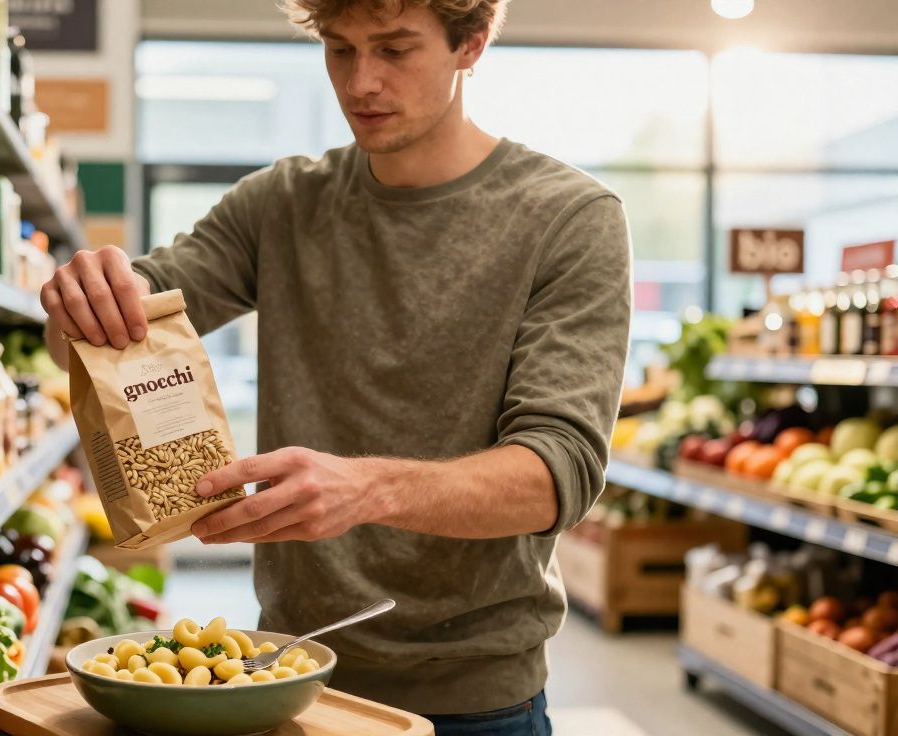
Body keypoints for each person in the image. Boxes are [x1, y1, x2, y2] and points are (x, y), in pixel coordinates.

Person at [41, 0, 631, 732]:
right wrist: (79, 307)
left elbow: (558, 474)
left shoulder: (569, 218)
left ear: (471, 44)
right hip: (289, 682)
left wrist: (366, 488)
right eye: (340, 49)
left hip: (477, 702)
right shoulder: (280, 204)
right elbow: (101, 331)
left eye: (394, 49)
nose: (361, 83)